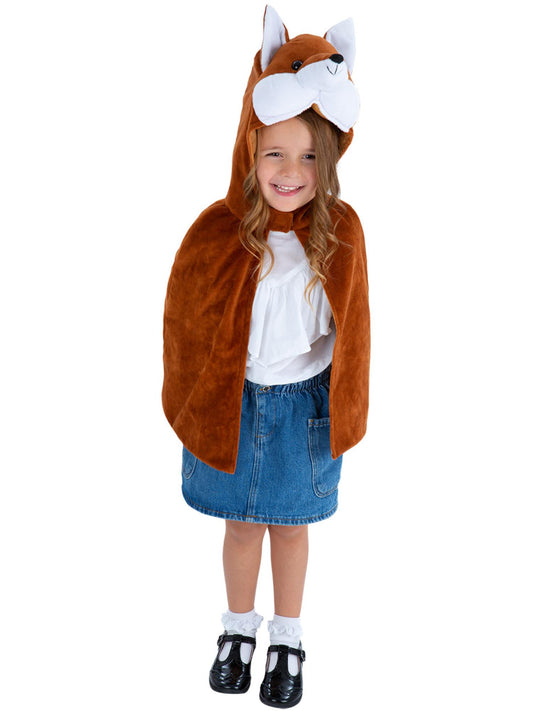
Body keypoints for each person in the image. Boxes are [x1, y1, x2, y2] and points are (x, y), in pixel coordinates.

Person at [162, 6, 370, 707]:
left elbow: (355, 331)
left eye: (308, 156)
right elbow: (186, 322)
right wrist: (195, 394)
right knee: (242, 525)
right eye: (274, 152)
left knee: (291, 527)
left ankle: (288, 637)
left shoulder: (341, 233)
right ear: (248, 148)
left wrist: (343, 410)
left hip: (302, 406)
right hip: (236, 400)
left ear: (329, 159)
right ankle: (237, 630)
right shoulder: (220, 232)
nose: (290, 171)